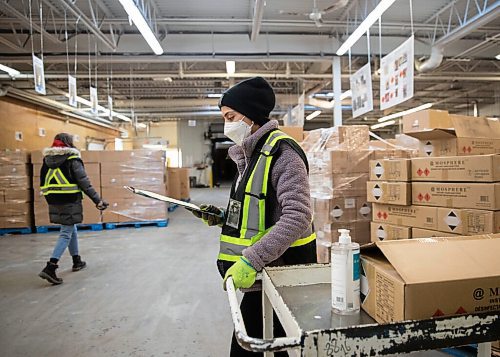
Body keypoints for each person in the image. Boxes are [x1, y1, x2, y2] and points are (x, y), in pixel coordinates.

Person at [193, 77, 316, 356]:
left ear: (250, 115)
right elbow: (258, 209)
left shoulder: (282, 153)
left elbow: (297, 216)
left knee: (267, 346)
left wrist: (252, 259)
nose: (227, 124)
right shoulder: (250, 155)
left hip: (283, 273)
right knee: (255, 343)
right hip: (265, 272)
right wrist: (224, 217)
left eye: (231, 116)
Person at [38, 133, 108, 285]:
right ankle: (51, 267)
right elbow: (84, 183)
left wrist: (51, 198)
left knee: (70, 228)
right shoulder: (72, 159)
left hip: (53, 200)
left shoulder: (47, 160)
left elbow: (42, 181)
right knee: (65, 233)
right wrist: (98, 200)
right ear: (69, 143)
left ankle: (77, 260)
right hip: (69, 200)